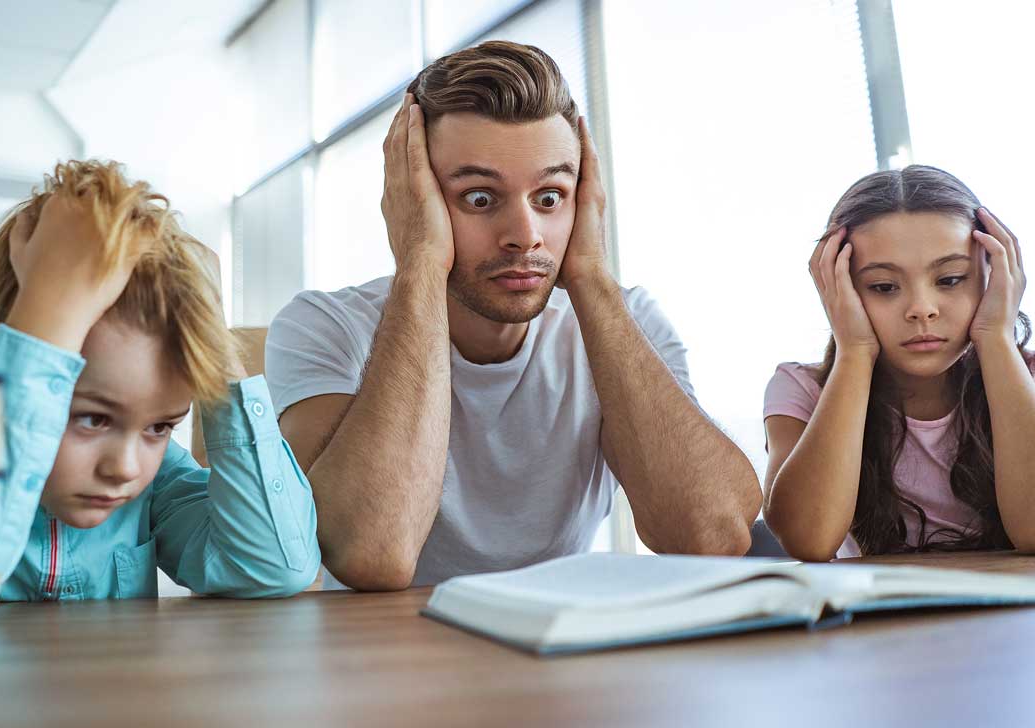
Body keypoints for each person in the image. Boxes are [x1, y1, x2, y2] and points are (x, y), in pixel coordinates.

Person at [267, 42, 760, 590]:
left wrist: (591, 275)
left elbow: (710, 538)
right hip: (379, 662)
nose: (525, 236)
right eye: (479, 198)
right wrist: (421, 267)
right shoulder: (323, 326)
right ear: (413, 197)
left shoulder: (625, 320)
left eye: (550, 197)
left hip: (556, 656)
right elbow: (369, 552)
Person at [0, 160, 319, 628]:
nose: (125, 468)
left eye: (160, 426)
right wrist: (47, 316)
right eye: (92, 419)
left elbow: (276, 567)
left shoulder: (156, 480)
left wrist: (214, 347)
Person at [762, 165, 1035, 560]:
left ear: (993, 275)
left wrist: (995, 339)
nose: (922, 310)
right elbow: (809, 540)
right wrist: (853, 352)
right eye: (884, 287)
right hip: (877, 621)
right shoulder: (803, 390)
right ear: (839, 288)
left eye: (950, 279)